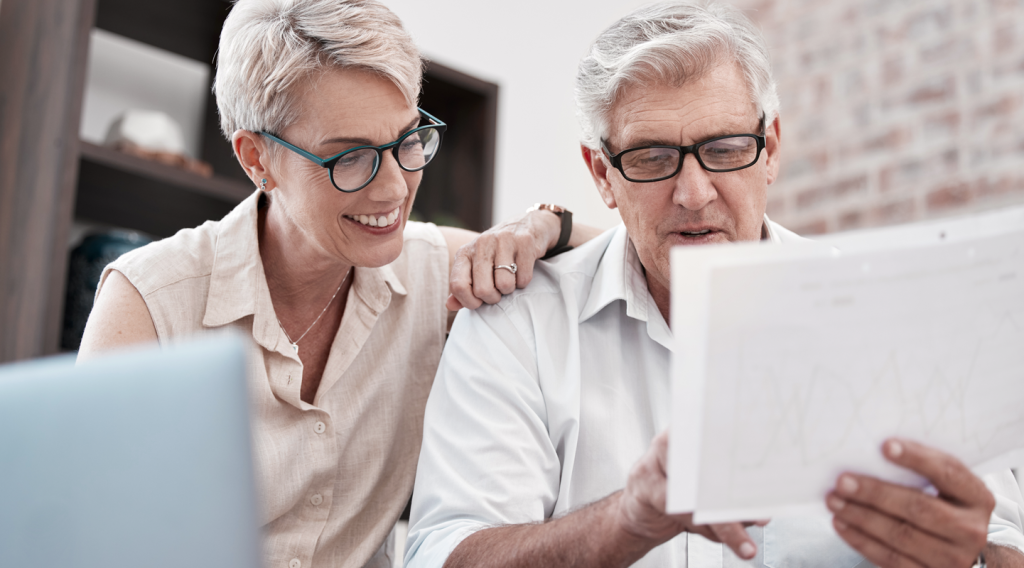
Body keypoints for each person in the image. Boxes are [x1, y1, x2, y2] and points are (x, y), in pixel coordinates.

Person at [404, 3, 1024, 567]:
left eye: (725, 149)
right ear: (602, 175)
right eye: (650, 158)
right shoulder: (517, 329)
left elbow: (1003, 546)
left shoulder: (899, 320)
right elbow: (446, 556)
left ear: (771, 147)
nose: (694, 194)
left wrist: (972, 560)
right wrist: (627, 520)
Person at [77, 1, 599, 567]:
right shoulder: (149, 303)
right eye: (351, 157)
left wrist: (543, 222)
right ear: (257, 158)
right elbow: (81, 541)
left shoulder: (432, 270)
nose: (396, 188)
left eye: (407, 141)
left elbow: (625, 257)